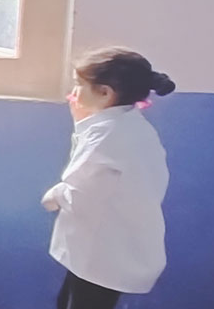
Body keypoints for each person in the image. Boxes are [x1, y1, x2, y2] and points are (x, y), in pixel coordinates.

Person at [44, 47, 175, 309]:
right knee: (69, 299)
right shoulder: (128, 125)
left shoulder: (106, 136)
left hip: (103, 255)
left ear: (105, 93)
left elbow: (80, 197)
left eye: (79, 84)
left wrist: (55, 196)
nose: (74, 91)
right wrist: (80, 123)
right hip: (112, 249)